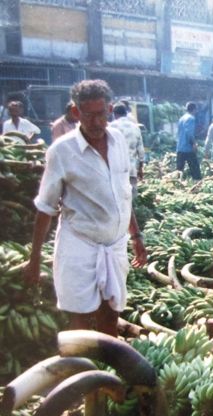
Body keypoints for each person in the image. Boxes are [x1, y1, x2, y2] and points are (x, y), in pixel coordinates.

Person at [23, 79, 147, 337]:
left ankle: (106, 369)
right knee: (80, 315)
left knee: (111, 311)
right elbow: (45, 207)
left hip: (114, 244)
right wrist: (34, 258)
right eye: (88, 115)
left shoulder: (119, 142)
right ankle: (83, 370)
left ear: (110, 110)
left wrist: (136, 236)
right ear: (76, 112)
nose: (95, 122)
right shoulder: (62, 151)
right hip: (80, 244)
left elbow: (123, 196)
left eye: (101, 114)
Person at [109, 103, 145, 197]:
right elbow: (141, 151)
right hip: (131, 169)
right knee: (132, 199)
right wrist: (140, 169)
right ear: (126, 113)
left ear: (115, 114)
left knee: (118, 198)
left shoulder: (110, 127)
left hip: (116, 170)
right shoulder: (135, 127)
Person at [176, 102, 201, 180]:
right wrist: (194, 144)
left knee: (179, 171)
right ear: (194, 109)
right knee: (195, 170)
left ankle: (177, 186)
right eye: (196, 110)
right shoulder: (191, 118)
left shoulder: (181, 118)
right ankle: (197, 185)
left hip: (180, 147)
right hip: (188, 148)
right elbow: (189, 132)